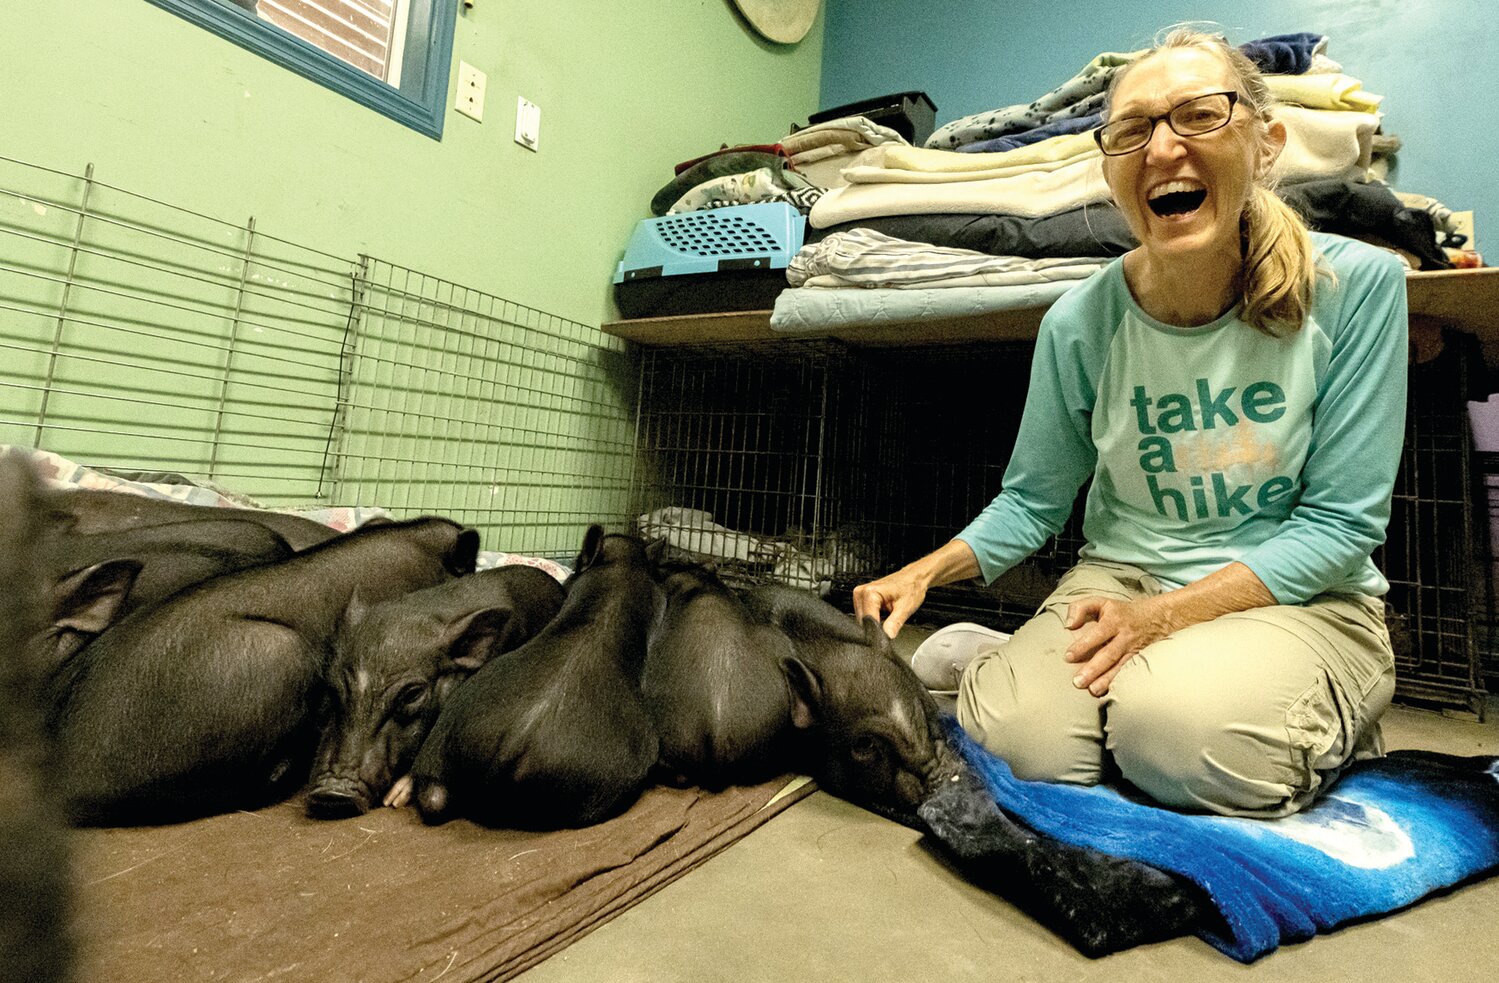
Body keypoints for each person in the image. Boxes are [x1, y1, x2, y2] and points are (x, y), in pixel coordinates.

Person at [852, 26, 1409, 819]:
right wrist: (924, 570)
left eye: (1199, 116)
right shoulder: (1078, 321)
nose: (1161, 148)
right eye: (1133, 130)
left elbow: (1338, 525)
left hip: (1298, 598)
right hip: (1121, 579)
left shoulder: (1355, 287)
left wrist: (1163, 621)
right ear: (1110, 169)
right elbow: (1032, 500)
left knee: (1178, 738)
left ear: (1265, 144)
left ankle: (1316, 708)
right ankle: (1038, 674)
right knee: (1021, 745)